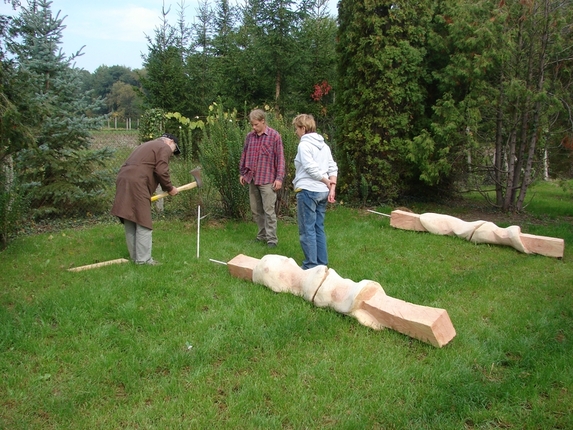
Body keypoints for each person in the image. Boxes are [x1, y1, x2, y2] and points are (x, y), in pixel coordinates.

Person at [111, 133, 181, 265]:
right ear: (170, 142)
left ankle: (135, 257)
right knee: (143, 221)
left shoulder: (146, 145)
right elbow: (161, 170)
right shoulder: (163, 147)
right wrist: (170, 188)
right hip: (137, 182)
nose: (172, 154)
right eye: (174, 150)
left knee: (130, 218)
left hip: (123, 178)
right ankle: (144, 260)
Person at [292, 114, 338, 269]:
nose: (296, 132)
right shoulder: (324, 146)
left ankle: (311, 266)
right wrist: (331, 188)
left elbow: (311, 168)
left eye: (297, 128)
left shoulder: (304, 145)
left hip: (308, 191)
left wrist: (326, 182)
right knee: (318, 227)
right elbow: (333, 168)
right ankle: (322, 264)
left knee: (307, 229)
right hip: (322, 192)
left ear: (303, 128)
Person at [239, 109, 286, 248]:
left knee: (269, 210)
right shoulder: (250, 137)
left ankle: (272, 240)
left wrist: (279, 178)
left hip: (268, 179)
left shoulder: (274, 136)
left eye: (256, 124)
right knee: (256, 210)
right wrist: (242, 173)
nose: (253, 127)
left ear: (263, 121)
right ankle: (261, 235)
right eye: (252, 125)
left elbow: (280, 159)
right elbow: (244, 155)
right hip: (252, 178)